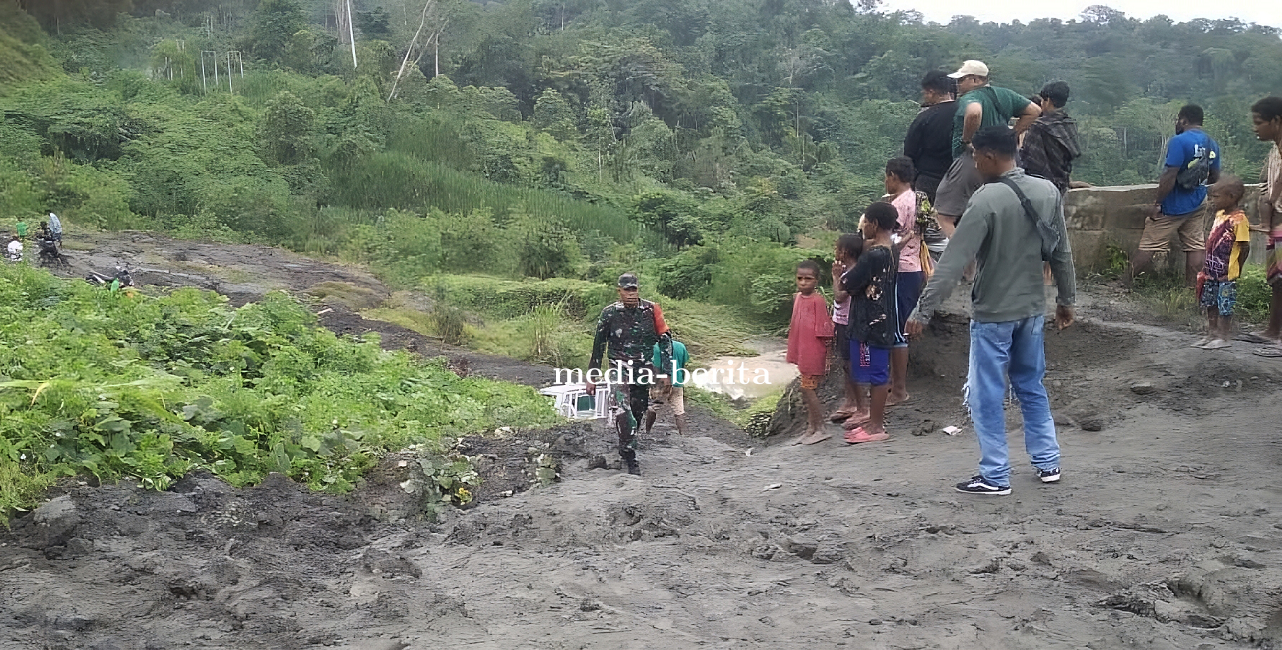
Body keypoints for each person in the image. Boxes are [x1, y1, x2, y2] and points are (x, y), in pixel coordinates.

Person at [906, 126, 1076, 495]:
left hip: (994, 312)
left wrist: (922, 310)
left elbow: (953, 261)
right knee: (1031, 385)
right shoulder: (1047, 190)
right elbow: (1061, 252)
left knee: (986, 394)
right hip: (1032, 308)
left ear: (988, 156)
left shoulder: (985, 199)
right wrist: (1066, 300)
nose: (975, 162)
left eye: (976, 156)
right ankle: (1048, 462)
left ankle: (995, 475)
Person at [932, 60, 1041, 238]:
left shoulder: (971, 98)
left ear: (975, 80)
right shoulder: (1005, 94)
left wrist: (967, 139)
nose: (957, 84)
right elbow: (1034, 110)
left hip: (973, 159)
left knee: (943, 216)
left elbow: (974, 112)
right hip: (1006, 160)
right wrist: (1011, 135)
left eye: (962, 80)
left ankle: (966, 262)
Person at [1125, 104, 1222, 289]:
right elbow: (1215, 176)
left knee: (1150, 243)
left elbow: (1169, 175)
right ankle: (1193, 288)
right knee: (1195, 245)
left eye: (1178, 120)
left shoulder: (1179, 141)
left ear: (1184, 120)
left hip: (1174, 204)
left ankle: (1126, 283)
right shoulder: (1212, 143)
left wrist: (1158, 203)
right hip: (1199, 200)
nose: (1177, 123)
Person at [587, 273, 674, 475]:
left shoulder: (651, 310)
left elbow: (665, 341)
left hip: (643, 369)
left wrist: (668, 374)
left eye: (634, 289)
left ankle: (626, 445)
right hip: (619, 369)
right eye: (627, 290)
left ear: (638, 289)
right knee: (623, 411)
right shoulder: (609, 314)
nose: (631, 293)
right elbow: (598, 346)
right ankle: (630, 456)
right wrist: (592, 376)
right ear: (619, 291)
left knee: (637, 411)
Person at [841, 202, 899, 444]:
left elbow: (848, 282)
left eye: (865, 222)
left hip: (870, 322)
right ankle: (873, 420)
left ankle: (876, 426)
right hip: (881, 318)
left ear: (874, 224)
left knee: (877, 374)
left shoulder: (873, 255)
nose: (863, 226)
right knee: (876, 372)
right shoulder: (890, 250)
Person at [1193, 177, 1250, 350]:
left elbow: (1244, 247)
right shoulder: (1220, 215)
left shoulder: (1239, 220)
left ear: (1231, 197)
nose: (1212, 201)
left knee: (1224, 304)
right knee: (1210, 302)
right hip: (1211, 271)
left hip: (1226, 273)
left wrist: (1237, 268)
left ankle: (1223, 336)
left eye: (1216, 197)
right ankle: (1212, 333)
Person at [1247, 96, 1282, 356]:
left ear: (1276, 121)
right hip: (1277, 222)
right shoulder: (1274, 150)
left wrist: (1269, 200)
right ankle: (1273, 331)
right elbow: (1266, 184)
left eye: (1259, 122)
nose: (1255, 128)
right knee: (1277, 280)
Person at [786, 260, 835, 445]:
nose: (803, 282)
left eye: (808, 279)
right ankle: (811, 427)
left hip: (814, 352)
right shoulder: (798, 298)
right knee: (806, 389)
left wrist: (828, 356)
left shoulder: (818, 301)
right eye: (800, 278)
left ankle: (820, 427)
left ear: (817, 281)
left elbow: (825, 330)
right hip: (802, 351)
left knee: (808, 389)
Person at [884, 156, 921, 406]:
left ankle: (898, 390)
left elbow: (890, 241)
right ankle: (893, 386)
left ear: (893, 177)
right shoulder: (920, 199)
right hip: (915, 267)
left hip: (902, 270)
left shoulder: (898, 205)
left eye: (886, 177)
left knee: (897, 331)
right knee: (899, 328)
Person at [1019, 81, 1082, 195]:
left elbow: (1029, 160)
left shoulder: (1039, 126)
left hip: (1042, 188)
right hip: (1062, 184)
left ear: (1048, 101)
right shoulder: (1069, 123)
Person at [903, 70, 957, 203]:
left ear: (931, 91)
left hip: (929, 179)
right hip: (959, 178)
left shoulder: (924, 118)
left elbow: (910, 153)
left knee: (926, 220)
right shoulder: (964, 112)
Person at [829, 233, 864, 422]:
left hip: (848, 322)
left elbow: (839, 296)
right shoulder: (850, 270)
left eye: (837, 248)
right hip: (843, 320)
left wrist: (835, 277)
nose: (835, 252)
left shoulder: (851, 273)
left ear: (845, 252)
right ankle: (851, 401)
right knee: (846, 363)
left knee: (851, 364)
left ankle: (858, 405)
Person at [645, 335, 689, 436]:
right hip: (677, 382)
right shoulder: (681, 346)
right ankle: (683, 435)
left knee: (654, 407)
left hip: (662, 382)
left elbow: (655, 366)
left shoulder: (656, 347)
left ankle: (647, 431)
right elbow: (683, 365)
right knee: (679, 410)